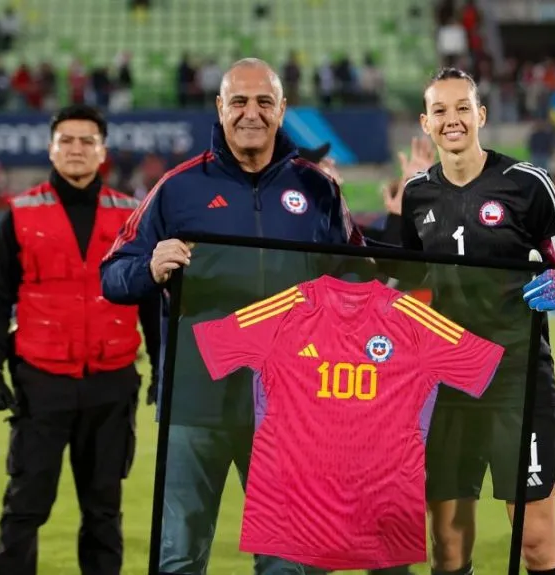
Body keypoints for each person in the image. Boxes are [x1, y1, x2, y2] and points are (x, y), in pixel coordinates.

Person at [100, 58, 368, 575]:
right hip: (196, 406)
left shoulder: (319, 190)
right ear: (219, 108)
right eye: (239, 101)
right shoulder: (177, 188)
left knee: (290, 562)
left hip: (291, 410)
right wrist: (150, 269)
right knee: (178, 556)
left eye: (264, 102)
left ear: (282, 109)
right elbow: (113, 274)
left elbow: (357, 273)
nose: (252, 113)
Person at [397, 68, 555, 575]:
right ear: (426, 124)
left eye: (461, 108)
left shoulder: (529, 185)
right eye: (440, 111)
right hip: (447, 385)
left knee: (536, 542)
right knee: (448, 549)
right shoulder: (415, 197)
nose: (452, 119)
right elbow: (409, 282)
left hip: (517, 382)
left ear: (480, 115)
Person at [0, 104, 161, 575]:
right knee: (24, 508)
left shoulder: (132, 216)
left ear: (103, 152)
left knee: (103, 512)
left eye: (86, 141)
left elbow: (151, 303)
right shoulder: (20, 214)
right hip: (41, 383)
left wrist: (163, 370)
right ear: (50, 148)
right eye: (67, 141)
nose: (76, 150)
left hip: (112, 383)